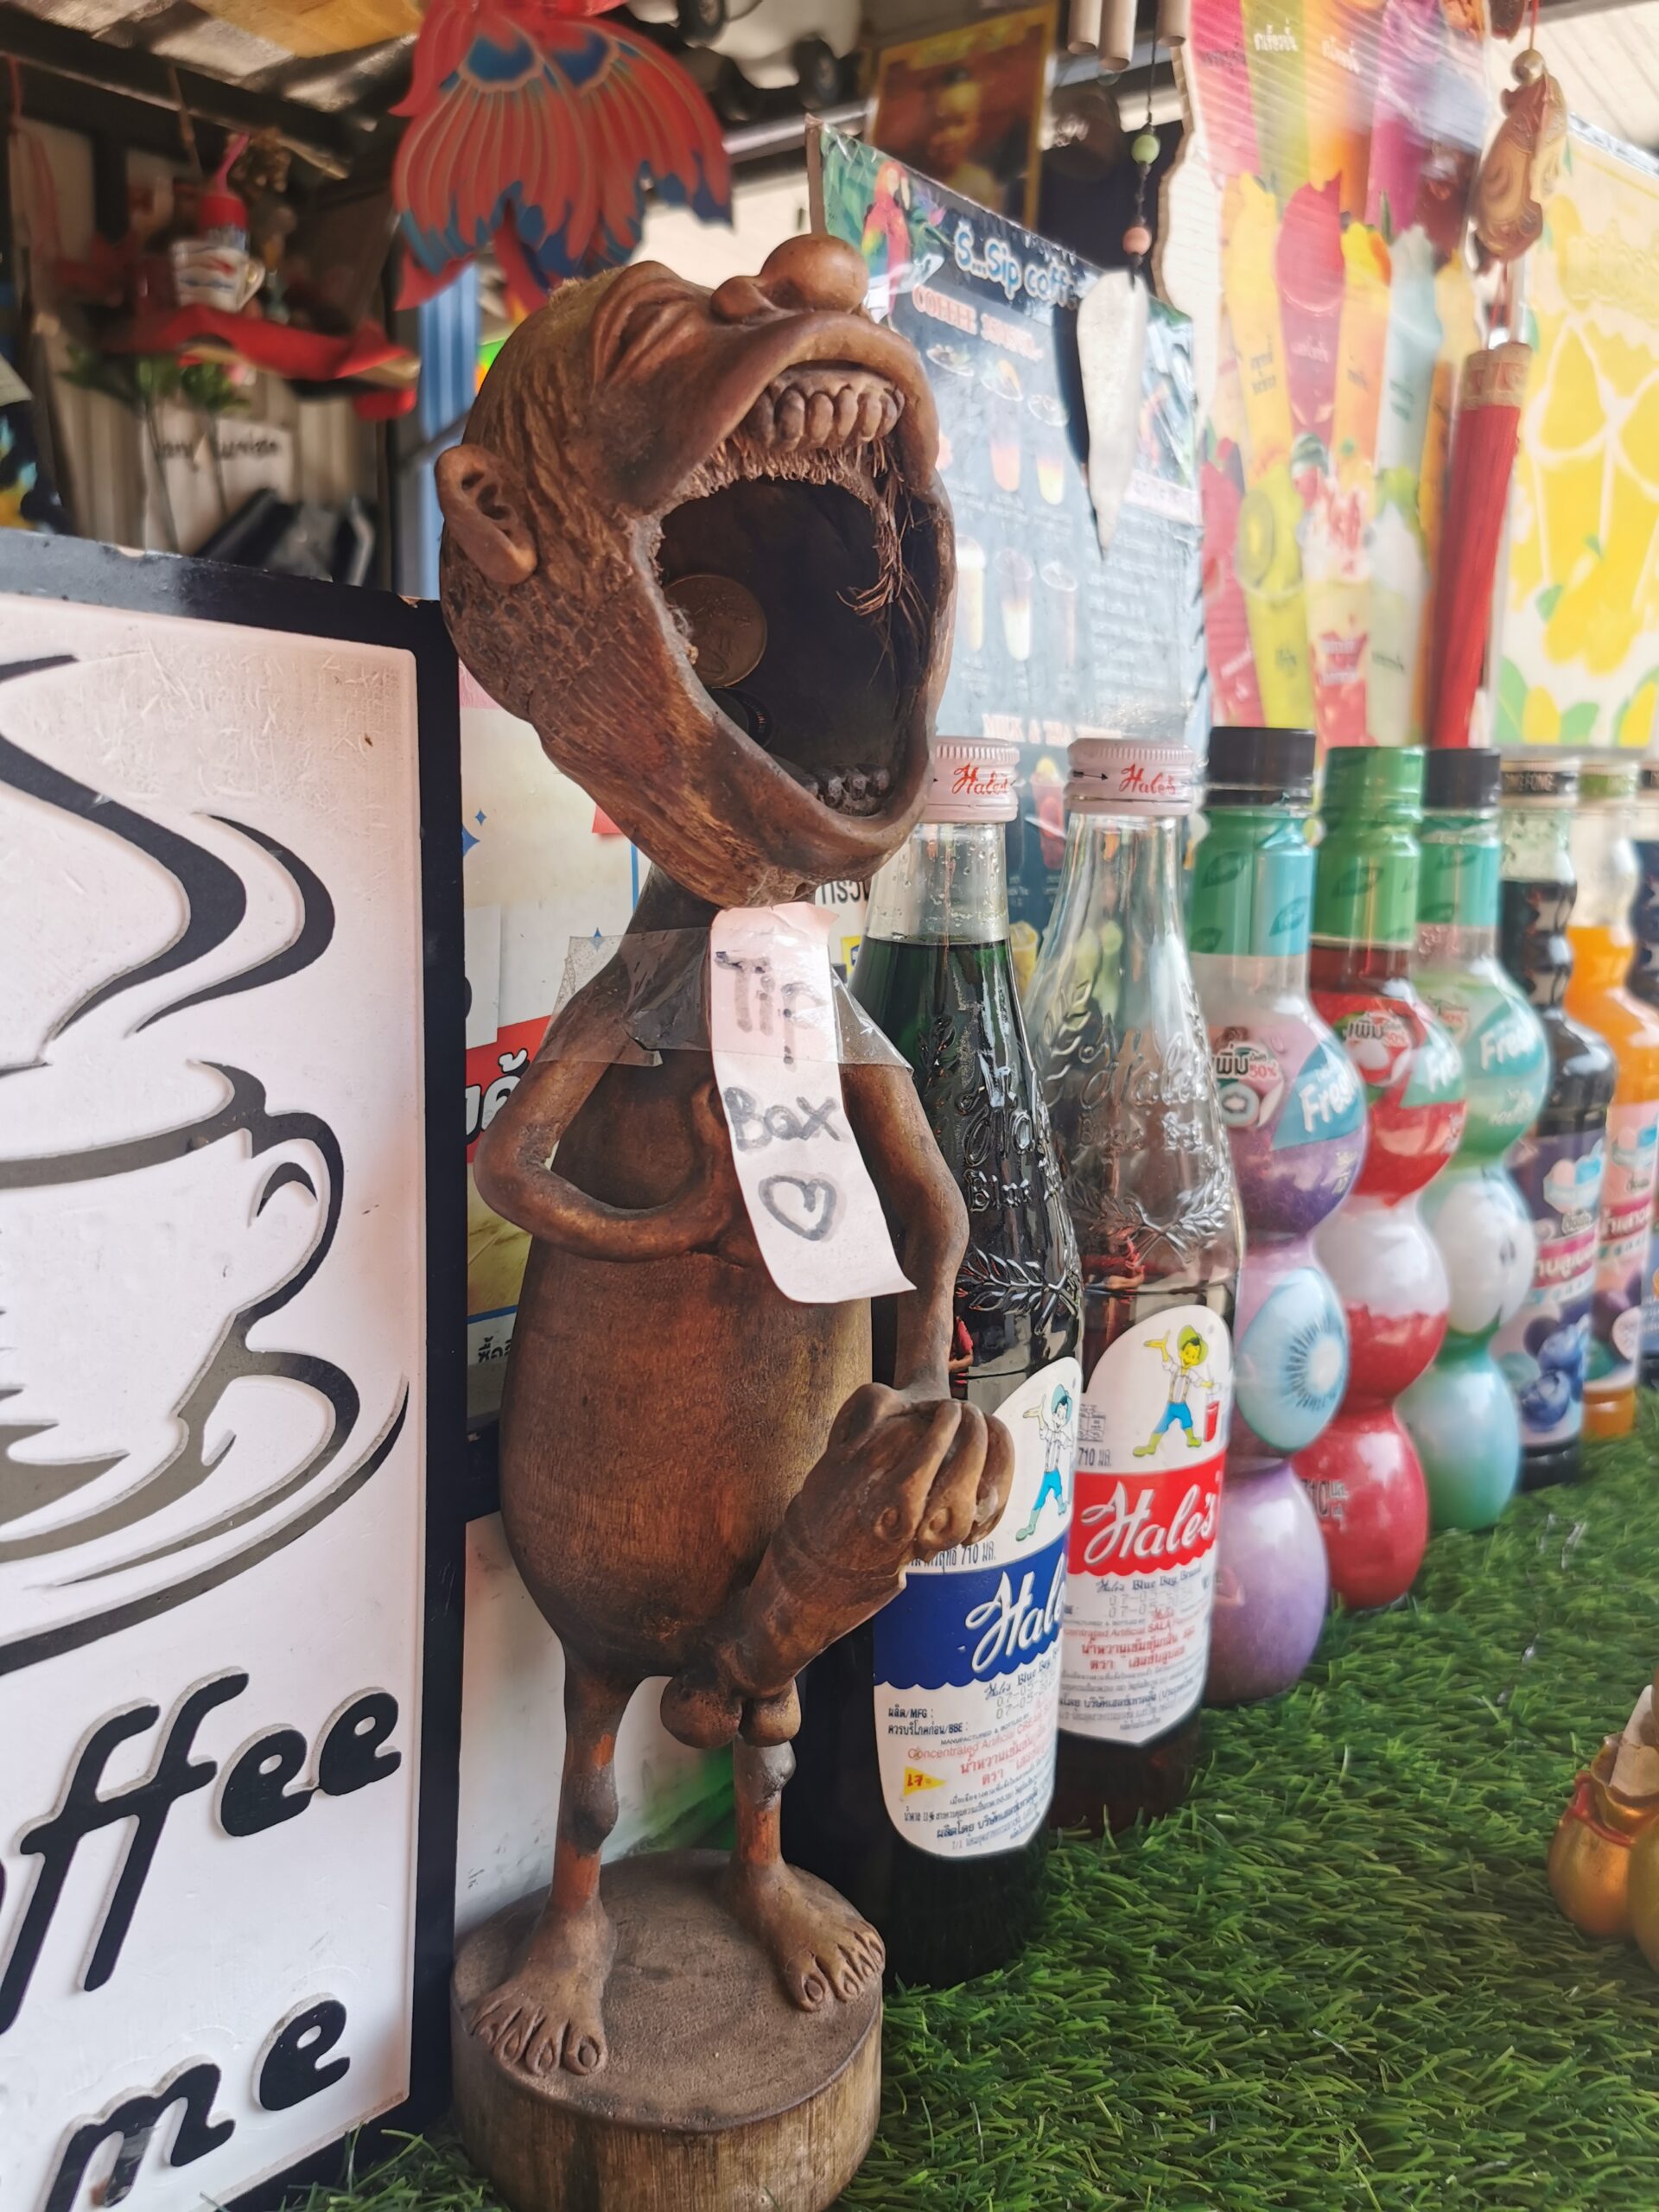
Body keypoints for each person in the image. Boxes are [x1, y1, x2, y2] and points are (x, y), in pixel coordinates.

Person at [922, 67, 1001, 213]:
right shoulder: (916, 178)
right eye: (939, 125)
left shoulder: (980, 184)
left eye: (959, 122)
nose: (949, 135)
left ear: (975, 129)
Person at [1133, 1325, 1214, 1457]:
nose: (1189, 1358)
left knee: (1187, 1421)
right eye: (1187, 1354)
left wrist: (1208, 1384)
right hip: (1171, 1406)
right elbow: (1167, 1363)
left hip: (1181, 1405)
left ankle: (1191, 1439)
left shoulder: (1190, 1374)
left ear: (1196, 1360)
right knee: (1162, 1425)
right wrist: (1163, 1348)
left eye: (1193, 1357)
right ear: (1180, 1353)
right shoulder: (1176, 1369)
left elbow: (1198, 1381)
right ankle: (1151, 1446)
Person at [1014, 1380, 1076, 1541]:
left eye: (1063, 1416)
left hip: (1054, 1472)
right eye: (1058, 1414)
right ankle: (1031, 1525)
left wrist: (1072, 1442)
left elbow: (1068, 1443)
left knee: (1058, 1489)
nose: (1059, 1418)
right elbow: (1044, 1431)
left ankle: (1061, 1506)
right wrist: (1040, 1416)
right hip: (1047, 1474)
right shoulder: (1052, 1434)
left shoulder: (1060, 1435)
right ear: (1053, 1414)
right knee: (1041, 1499)